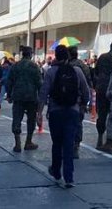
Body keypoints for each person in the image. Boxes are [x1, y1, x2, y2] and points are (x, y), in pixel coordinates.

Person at [40, 45, 89, 188]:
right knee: (68, 144)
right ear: (67, 56)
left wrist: (39, 112)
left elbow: (44, 92)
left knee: (57, 143)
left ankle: (56, 171)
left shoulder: (50, 72)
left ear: (56, 56)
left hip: (55, 112)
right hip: (72, 112)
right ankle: (69, 177)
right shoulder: (77, 71)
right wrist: (82, 106)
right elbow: (86, 91)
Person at [6, 45, 42, 152]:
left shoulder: (15, 66)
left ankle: (17, 143)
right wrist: (41, 98)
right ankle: (28, 142)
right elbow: (39, 83)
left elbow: (9, 81)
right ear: (30, 55)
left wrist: (9, 95)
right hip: (31, 97)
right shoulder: (34, 66)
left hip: (18, 96)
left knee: (17, 118)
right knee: (31, 120)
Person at [92, 40, 112, 152]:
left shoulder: (102, 57)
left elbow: (96, 71)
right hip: (111, 90)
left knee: (102, 114)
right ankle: (109, 140)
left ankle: (100, 139)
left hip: (101, 89)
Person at [67, 46, 90, 157]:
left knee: (66, 123)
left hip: (66, 100)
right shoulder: (83, 66)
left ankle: (67, 145)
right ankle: (76, 145)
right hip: (79, 100)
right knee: (78, 123)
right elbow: (87, 84)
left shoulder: (66, 66)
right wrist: (86, 101)